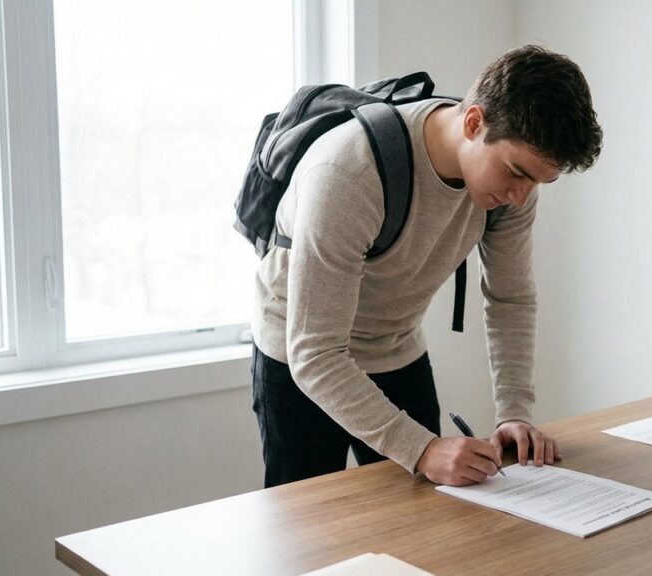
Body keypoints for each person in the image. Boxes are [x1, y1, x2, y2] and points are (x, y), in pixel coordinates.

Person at [249, 45, 603, 488]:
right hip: (300, 360)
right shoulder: (348, 172)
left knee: (425, 520)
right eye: (517, 173)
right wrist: (422, 449)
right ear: (474, 123)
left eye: (538, 181)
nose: (522, 196)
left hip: (395, 347)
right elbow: (316, 353)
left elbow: (510, 296)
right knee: (308, 536)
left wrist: (514, 410)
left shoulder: (512, 191)